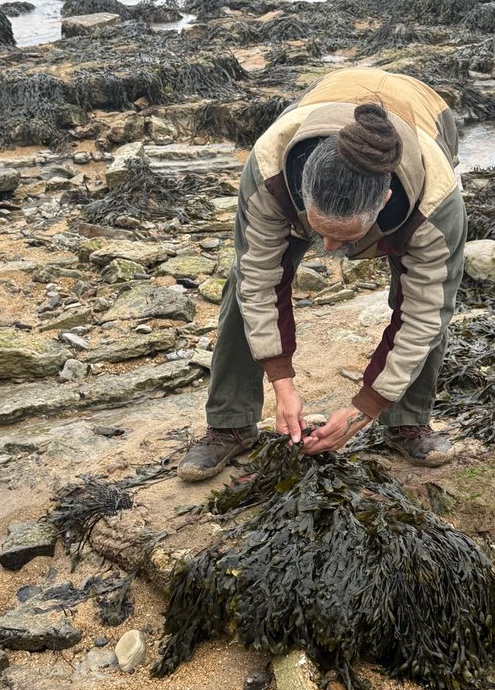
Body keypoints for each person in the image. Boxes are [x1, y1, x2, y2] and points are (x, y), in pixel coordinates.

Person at [178, 67, 466, 482]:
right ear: (301, 186)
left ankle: (407, 420)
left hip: (424, 116)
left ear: (384, 202)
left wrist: (364, 408)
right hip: (326, 103)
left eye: (344, 237)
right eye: (318, 231)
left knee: (426, 301)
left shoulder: (436, 204)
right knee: (243, 285)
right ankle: (229, 423)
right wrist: (282, 381)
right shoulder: (269, 168)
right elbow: (260, 280)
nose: (328, 250)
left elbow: (424, 314)